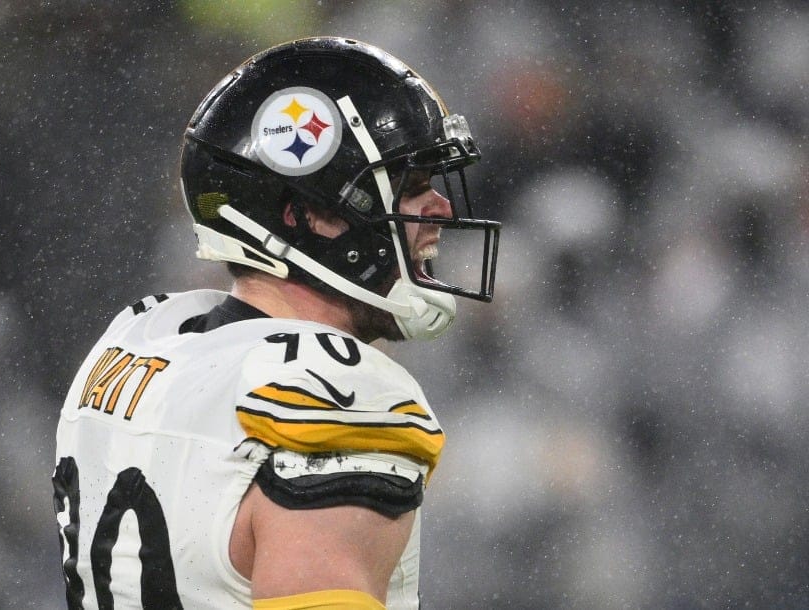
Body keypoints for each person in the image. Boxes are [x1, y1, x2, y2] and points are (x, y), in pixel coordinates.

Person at [53, 37, 500, 609]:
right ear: (309, 215)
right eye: (411, 187)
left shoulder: (142, 340)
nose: (440, 208)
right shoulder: (332, 394)